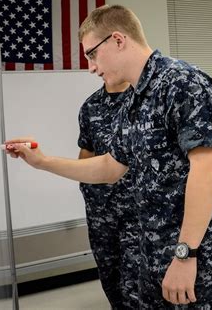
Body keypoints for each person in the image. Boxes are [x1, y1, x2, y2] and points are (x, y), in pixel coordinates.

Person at [8, 4, 212, 308]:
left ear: (118, 40)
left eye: (92, 54)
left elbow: (207, 170)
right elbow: (110, 167)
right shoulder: (134, 100)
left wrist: (185, 256)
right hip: (154, 253)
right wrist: (42, 161)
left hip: (199, 258)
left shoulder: (182, 82)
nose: (91, 67)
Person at [77, 78, 140, 308]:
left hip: (138, 214)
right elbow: (86, 152)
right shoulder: (90, 106)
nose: (94, 68)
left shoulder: (142, 99)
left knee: (136, 286)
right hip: (102, 214)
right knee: (110, 278)